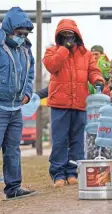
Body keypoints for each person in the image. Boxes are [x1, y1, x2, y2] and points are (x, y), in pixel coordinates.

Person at [43, 19, 105, 188]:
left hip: (80, 103)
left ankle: (72, 172)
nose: (68, 38)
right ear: (59, 37)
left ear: (77, 35)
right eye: (64, 35)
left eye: (70, 35)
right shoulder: (52, 52)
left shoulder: (86, 54)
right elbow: (51, 66)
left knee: (77, 140)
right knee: (59, 141)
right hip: (59, 105)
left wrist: (98, 80)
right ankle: (58, 174)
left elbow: (93, 71)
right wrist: (64, 49)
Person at [0, 7, 37, 199]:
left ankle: (13, 188)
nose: (22, 37)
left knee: (13, 150)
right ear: (8, 30)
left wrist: (28, 93)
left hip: (16, 109)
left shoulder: (25, 50)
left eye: (25, 34)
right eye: (19, 34)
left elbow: (30, 74)